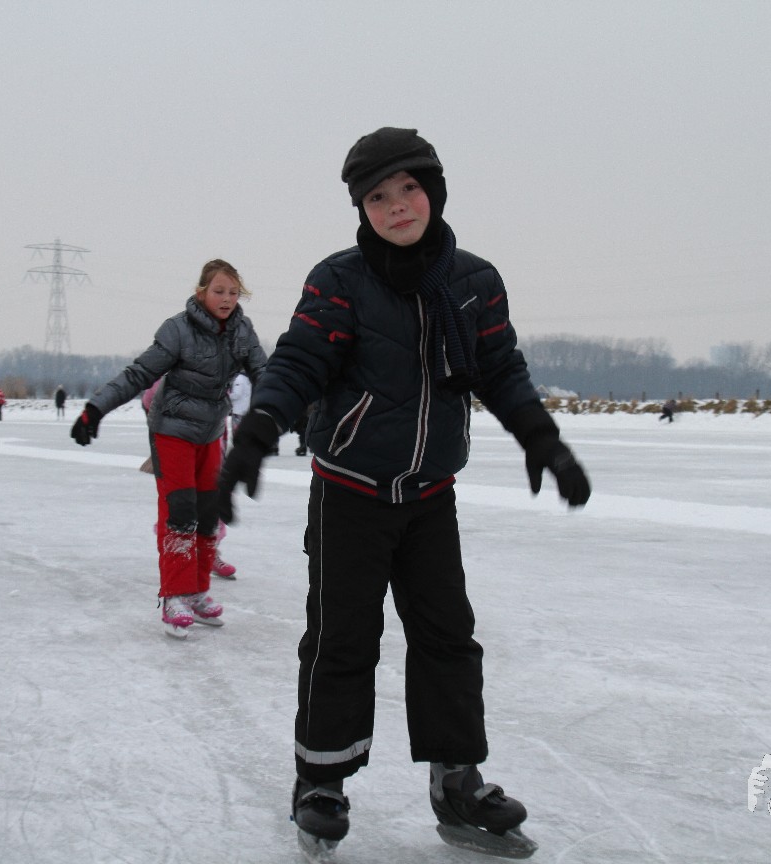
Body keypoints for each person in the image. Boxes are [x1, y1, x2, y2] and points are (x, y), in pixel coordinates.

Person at [218, 127, 590, 859]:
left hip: (429, 497)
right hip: (349, 495)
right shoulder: (341, 280)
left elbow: (502, 372)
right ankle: (321, 781)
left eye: (409, 189)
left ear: (434, 191)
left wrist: (543, 441)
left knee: (449, 637)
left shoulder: (473, 282)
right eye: (378, 197)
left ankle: (457, 782)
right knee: (341, 639)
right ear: (362, 209)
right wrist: (257, 432)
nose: (396, 206)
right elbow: (297, 364)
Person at [71, 259, 267, 637]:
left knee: (208, 512)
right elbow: (139, 374)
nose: (227, 299)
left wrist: (290, 405)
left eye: (233, 292)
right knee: (181, 510)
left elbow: (264, 373)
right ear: (201, 292)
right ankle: (174, 595)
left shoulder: (241, 331)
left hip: (211, 431)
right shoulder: (178, 329)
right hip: (171, 429)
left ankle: (196, 591)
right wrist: (95, 409)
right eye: (219, 291)